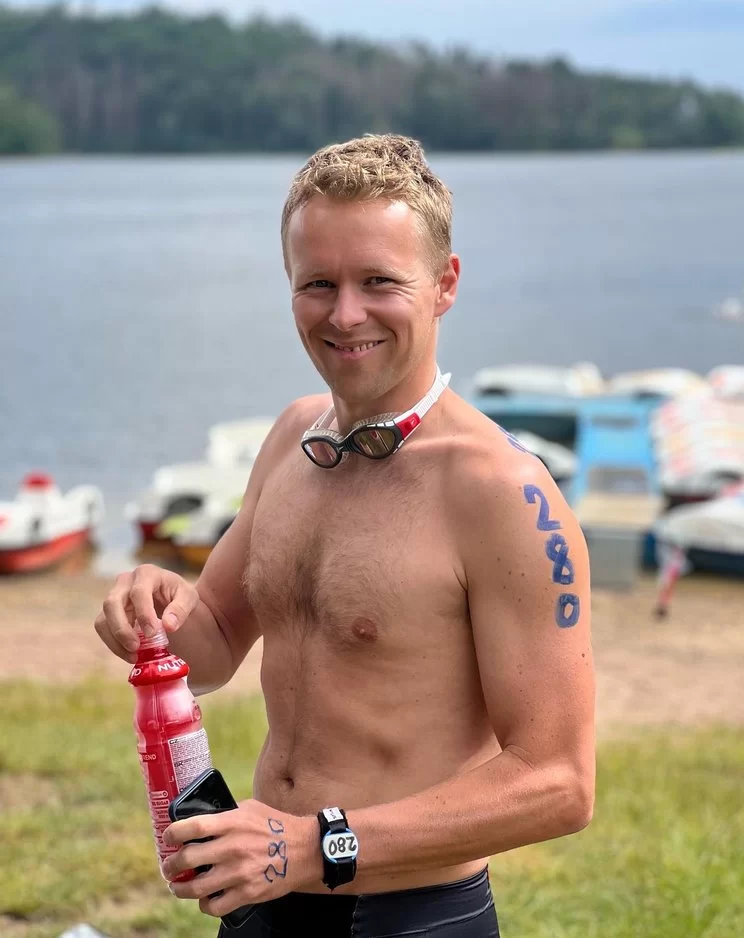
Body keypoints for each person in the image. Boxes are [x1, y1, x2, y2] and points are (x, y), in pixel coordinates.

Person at [95, 134, 595, 937]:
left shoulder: (500, 492)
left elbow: (560, 781)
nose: (345, 313)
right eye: (318, 283)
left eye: (379, 282)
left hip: (408, 914)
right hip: (261, 892)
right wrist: (153, 607)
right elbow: (216, 643)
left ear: (445, 285)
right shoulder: (294, 436)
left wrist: (315, 843)